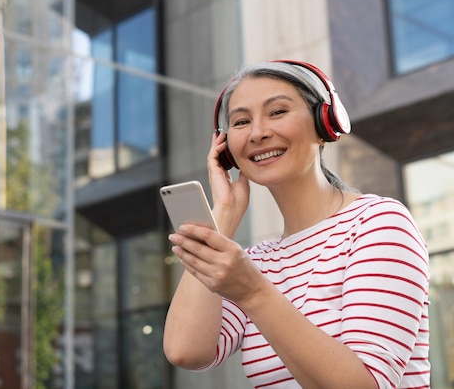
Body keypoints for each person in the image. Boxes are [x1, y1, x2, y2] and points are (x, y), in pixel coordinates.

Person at [162, 59, 430, 388]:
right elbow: (186, 351)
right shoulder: (256, 261)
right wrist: (225, 214)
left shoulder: (377, 222)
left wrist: (253, 291)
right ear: (226, 148)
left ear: (325, 125)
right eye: (242, 121)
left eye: (277, 112)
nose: (258, 133)